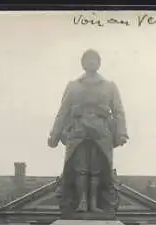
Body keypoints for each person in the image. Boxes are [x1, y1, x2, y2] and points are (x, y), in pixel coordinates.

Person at [48, 49, 128, 216]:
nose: (91, 62)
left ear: (99, 63)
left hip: (101, 131)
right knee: (79, 167)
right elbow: (63, 111)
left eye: (95, 59)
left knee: (98, 168)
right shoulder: (73, 86)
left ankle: (95, 203)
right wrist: (55, 134)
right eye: (88, 59)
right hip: (78, 130)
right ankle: (82, 202)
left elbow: (119, 111)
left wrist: (121, 132)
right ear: (82, 63)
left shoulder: (109, 86)